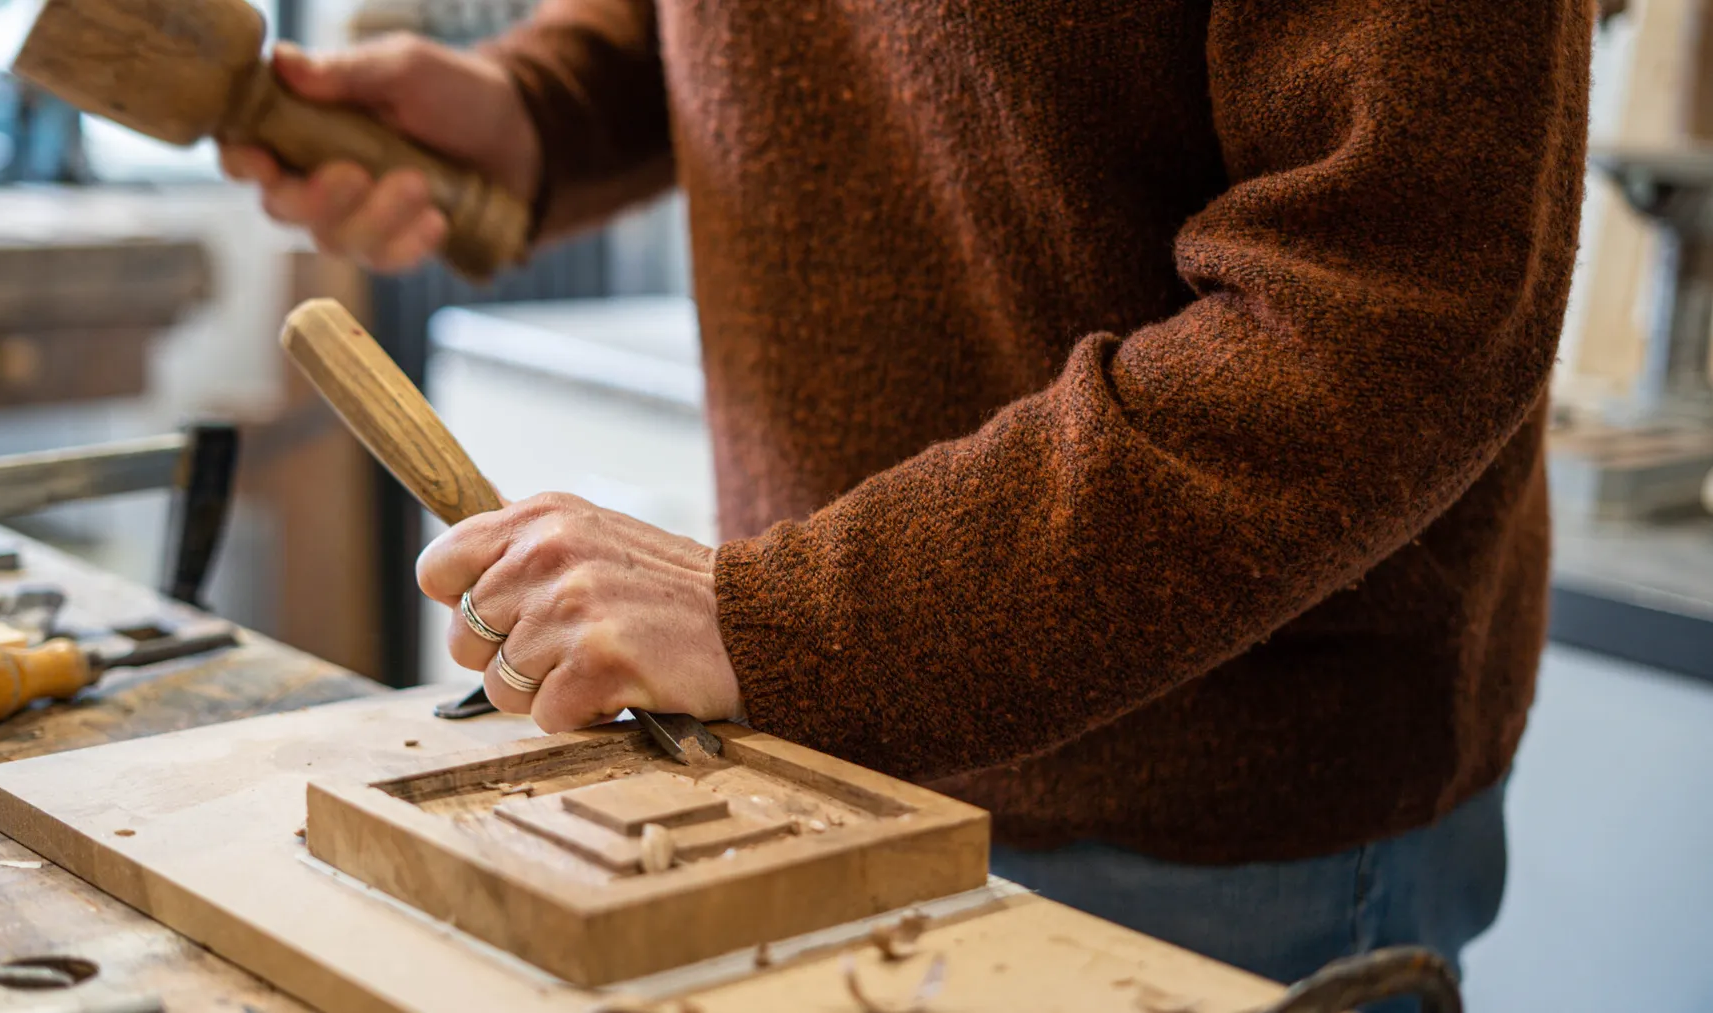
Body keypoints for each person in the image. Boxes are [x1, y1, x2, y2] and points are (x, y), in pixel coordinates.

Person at [223, 2, 1591, 1005]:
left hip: (1208, 811)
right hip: (823, 748)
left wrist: (802, 620)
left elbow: (1385, 319)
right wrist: (540, 110)